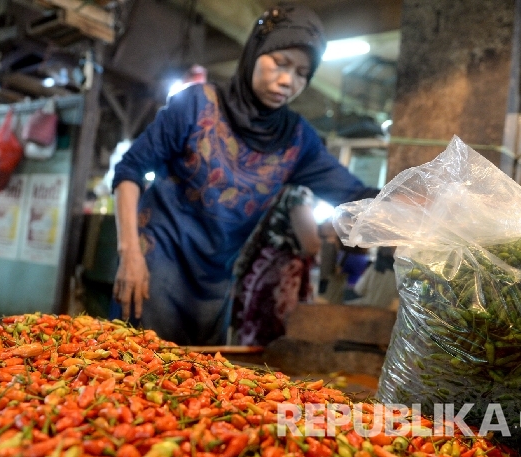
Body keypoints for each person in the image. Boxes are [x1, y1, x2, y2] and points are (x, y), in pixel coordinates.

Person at [111, 3, 378, 345]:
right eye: (279, 63)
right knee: (136, 375)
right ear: (254, 53)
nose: (287, 80)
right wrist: (129, 254)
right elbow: (129, 171)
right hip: (153, 268)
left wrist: (419, 203)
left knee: (197, 384)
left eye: (301, 73)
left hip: (215, 285)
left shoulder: (297, 139)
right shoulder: (196, 105)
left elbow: (353, 193)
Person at [230, 185, 320, 346]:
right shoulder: (298, 192)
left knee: (252, 335)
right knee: (272, 338)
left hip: (259, 269)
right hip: (279, 276)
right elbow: (311, 245)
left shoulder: (269, 186)